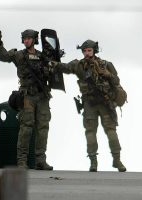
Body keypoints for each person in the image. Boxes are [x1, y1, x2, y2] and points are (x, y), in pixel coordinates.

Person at [50, 40, 126, 172]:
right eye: (84, 51)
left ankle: (117, 160)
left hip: (105, 103)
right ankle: (94, 162)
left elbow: (116, 81)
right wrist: (54, 64)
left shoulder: (105, 65)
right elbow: (65, 67)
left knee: (110, 131)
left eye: (89, 50)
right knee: (91, 132)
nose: (86, 53)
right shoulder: (79, 65)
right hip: (90, 103)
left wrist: (107, 74)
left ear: (94, 50)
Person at [0, 28, 53, 170]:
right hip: (27, 96)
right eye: (24, 38)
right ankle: (22, 161)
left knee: (43, 128)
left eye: (28, 38)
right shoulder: (19, 55)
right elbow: (3, 57)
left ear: (34, 40)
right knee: (26, 128)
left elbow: (52, 72)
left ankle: (40, 160)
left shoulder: (43, 56)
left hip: (42, 96)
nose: (26, 40)